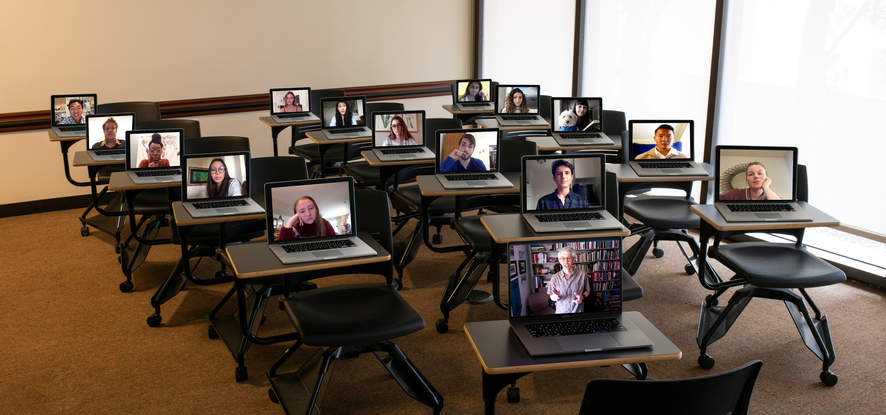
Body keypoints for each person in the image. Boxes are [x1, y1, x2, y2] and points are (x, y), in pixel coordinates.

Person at [546, 247, 590, 314]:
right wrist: (554, 297)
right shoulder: (554, 277)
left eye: (569, 258)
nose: (566, 261)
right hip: (561, 313)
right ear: (560, 261)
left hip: (578, 312)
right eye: (563, 258)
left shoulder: (582, 275)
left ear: (574, 260)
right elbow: (551, 296)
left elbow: (587, 291)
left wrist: (582, 297)